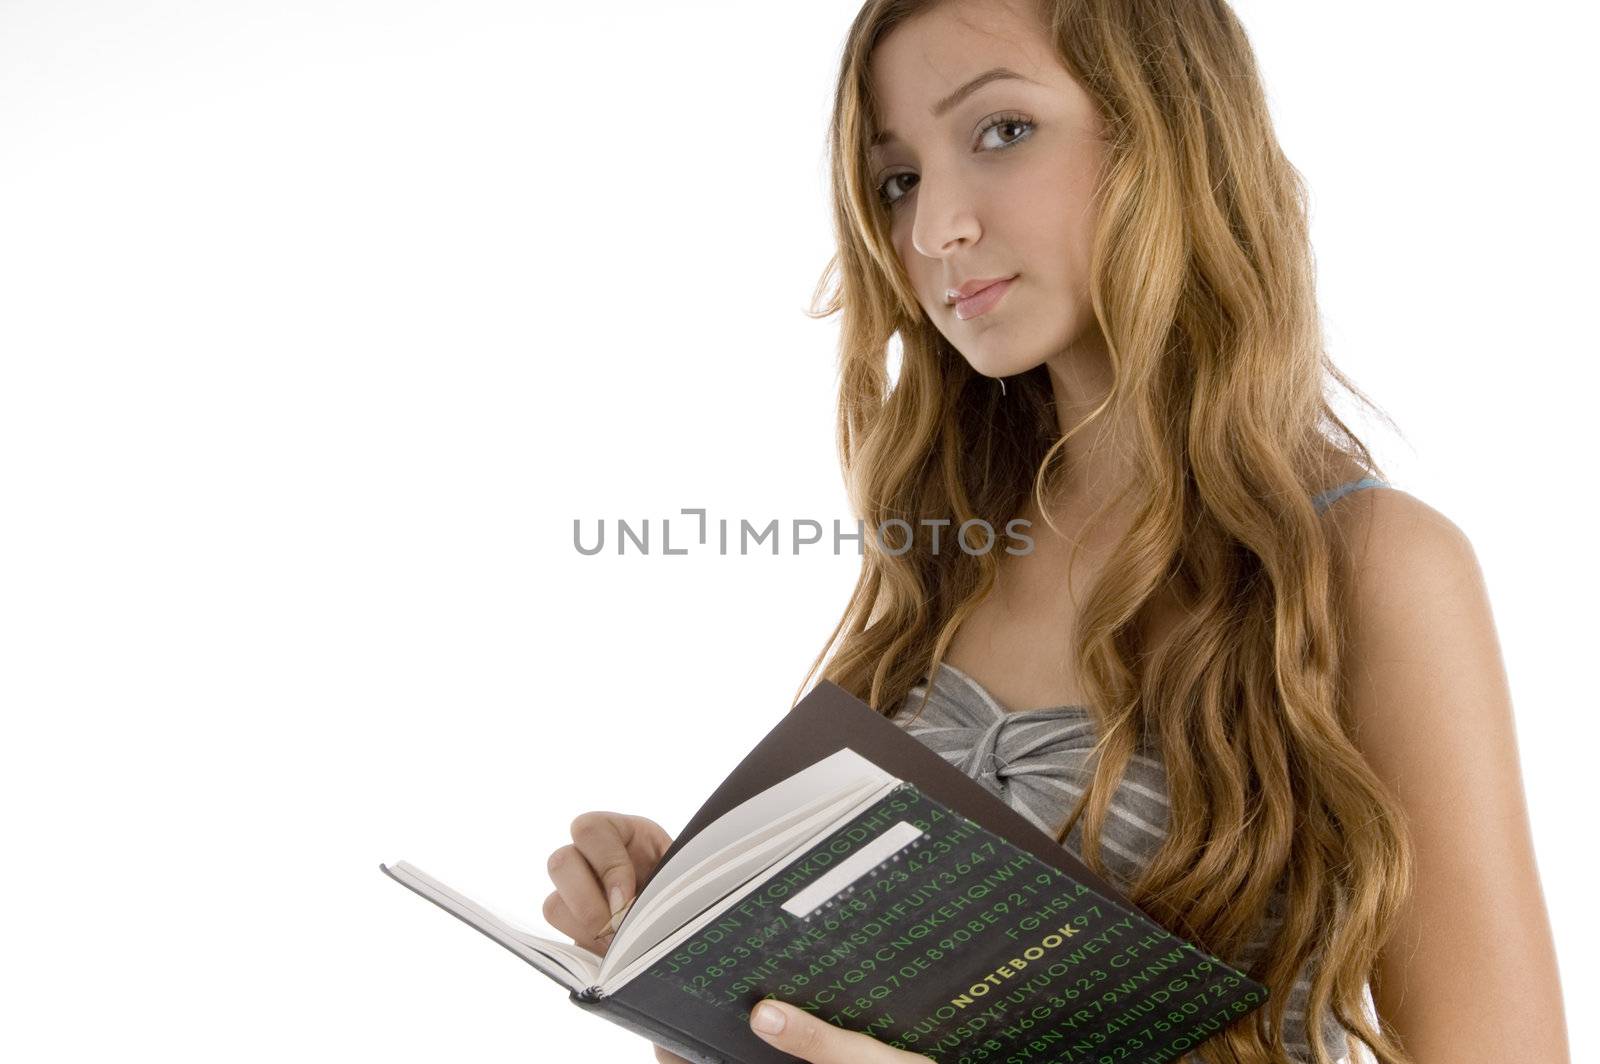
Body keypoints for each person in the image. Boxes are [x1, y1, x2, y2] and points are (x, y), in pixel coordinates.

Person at [542, 0, 1570, 1061]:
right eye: (898, 180)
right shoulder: (951, 549)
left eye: (1001, 132)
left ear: (1168, 127)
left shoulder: (1369, 566)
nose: (933, 228)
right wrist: (701, 963)